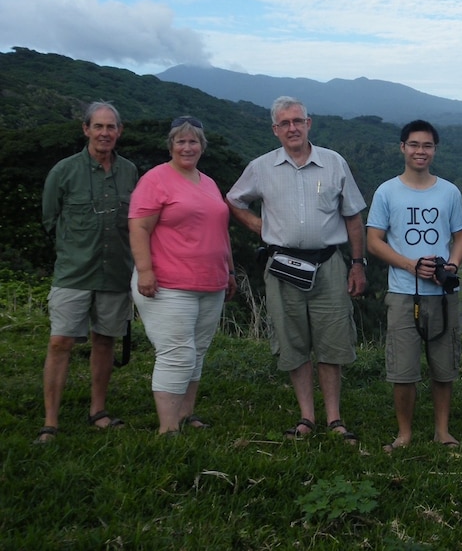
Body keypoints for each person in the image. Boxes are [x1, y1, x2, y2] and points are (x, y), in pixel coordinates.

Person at [227, 96, 366, 443]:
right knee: (292, 341)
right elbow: (233, 199)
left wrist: (358, 264)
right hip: (282, 266)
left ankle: (334, 417)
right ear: (275, 130)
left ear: (309, 123)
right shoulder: (262, 167)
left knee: (332, 342)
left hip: (328, 263)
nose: (292, 128)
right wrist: (262, 227)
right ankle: (307, 415)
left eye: (298, 121)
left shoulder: (334, 163)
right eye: (285, 123)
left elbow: (352, 216)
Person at [35, 101, 139, 444]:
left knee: (104, 341)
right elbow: (50, 219)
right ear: (86, 129)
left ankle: (98, 410)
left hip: (115, 272)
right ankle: (51, 421)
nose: (105, 133)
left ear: (119, 132)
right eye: (99, 126)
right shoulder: (63, 171)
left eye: (111, 127)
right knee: (60, 341)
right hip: (74, 272)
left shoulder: (129, 172)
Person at [129, 116, 237, 435]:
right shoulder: (156, 179)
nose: (187, 147)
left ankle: (185, 415)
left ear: (202, 146)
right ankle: (168, 428)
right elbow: (139, 226)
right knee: (177, 353)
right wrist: (145, 271)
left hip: (211, 282)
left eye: (193, 142)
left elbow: (220, 231)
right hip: (168, 285)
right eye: (181, 141)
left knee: (196, 352)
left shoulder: (208, 182)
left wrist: (229, 271)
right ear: (171, 145)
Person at [366, 120, 462, 452]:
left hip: (442, 292)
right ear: (402, 148)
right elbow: (374, 241)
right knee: (403, 369)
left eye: (427, 146)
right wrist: (410, 265)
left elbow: (460, 238)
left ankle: (443, 430)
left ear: (434, 150)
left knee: (443, 366)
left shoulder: (449, 191)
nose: (420, 151)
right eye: (414, 144)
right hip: (402, 292)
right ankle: (405, 433)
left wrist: (450, 265)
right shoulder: (387, 191)